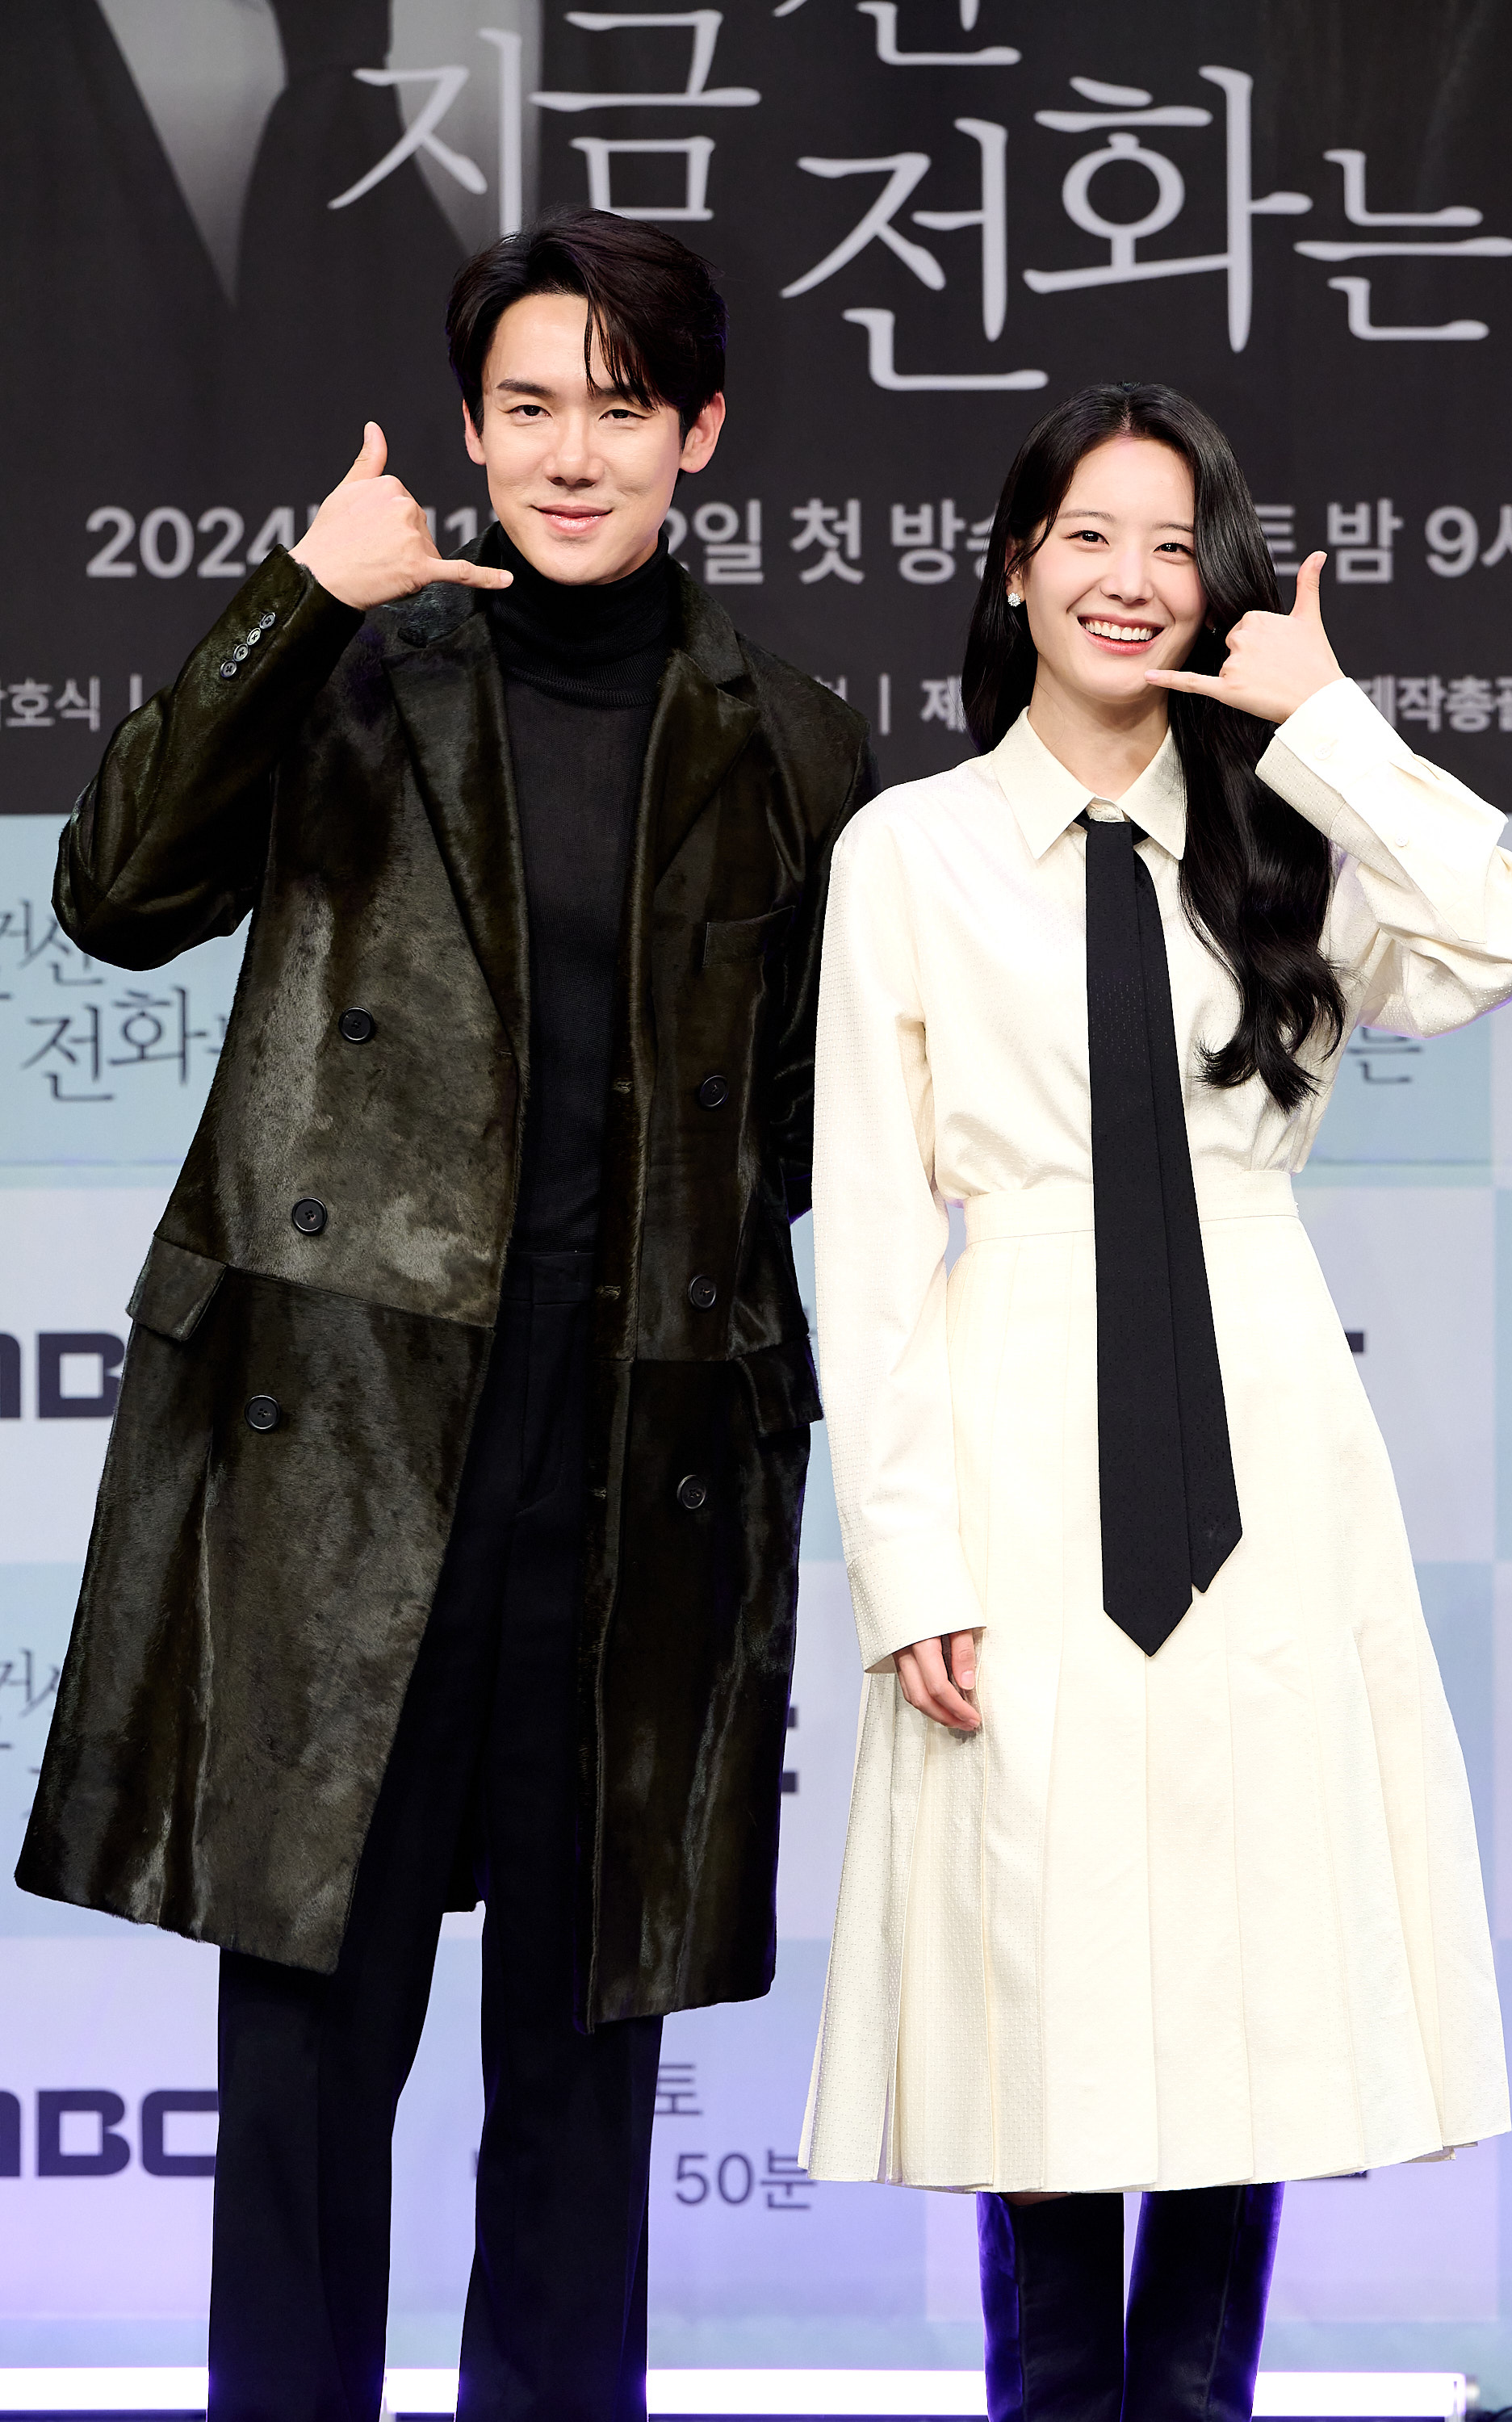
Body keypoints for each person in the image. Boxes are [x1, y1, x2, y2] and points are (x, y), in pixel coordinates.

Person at [18, 210, 871, 2421]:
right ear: (471, 431)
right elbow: (111, 895)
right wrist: (299, 597)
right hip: (347, 1464)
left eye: (620, 408)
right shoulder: (355, 672)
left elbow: (823, 1137)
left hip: (633, 1490)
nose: (572, 454)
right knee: (304, 2080)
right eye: (527, 408)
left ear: (700, 432)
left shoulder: (794, 742)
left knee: (581, 2102)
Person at [801, 383, 1512, 2422]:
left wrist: (1324, 725)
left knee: (1250, 1954)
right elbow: (868, 1235)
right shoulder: (909, 852)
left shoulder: (1286, 832)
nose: (1130, 582)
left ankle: (1203, 2400)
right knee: (1027, 1973)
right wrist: (907, 1562)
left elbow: (1497, 936)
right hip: (1014, 1431)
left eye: (1172, 546)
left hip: (1264, 1436)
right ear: (1014, 567)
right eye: (1089, 537)